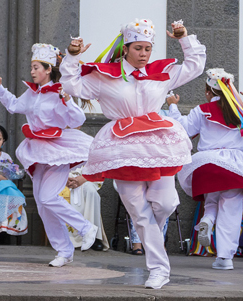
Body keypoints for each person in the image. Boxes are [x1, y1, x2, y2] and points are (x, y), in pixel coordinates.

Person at [60, 18, 206, 289]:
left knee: (165, 204)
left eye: (148, 49)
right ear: (125, 48)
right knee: (140, 213)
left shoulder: (161, 72)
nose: (144, 54)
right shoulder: (105, 76)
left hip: (158, 145)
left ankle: (149, 232)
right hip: (122, 147)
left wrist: (184, 38)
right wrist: (71, 56)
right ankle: (159, 269)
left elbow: (195, 66)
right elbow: (71, 85)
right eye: (138, 48)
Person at [0, 43, 97, 267]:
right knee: (41, 203)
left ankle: (87, 228)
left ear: (48, 69)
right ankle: (64, 250)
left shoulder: (59, 91)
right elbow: (14, 105)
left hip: (59, 149)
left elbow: (78, 120)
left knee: (49, 197)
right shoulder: (32, 93)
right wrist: (0, 88)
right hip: (37, 150)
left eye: (36, 67)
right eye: (31, 67)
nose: (32, 71)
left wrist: (67, 99)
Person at [168, 69, 243, 270]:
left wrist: (173, 107)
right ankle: (225, 258)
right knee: (231, 208)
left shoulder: (202, 110)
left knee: (211, 200)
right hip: (234, 165)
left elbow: (182, 129)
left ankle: (207, 220)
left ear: (209, 92)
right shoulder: (240, 110)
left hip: (206, 163)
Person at [60, 166, 108, 251]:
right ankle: (66, 238)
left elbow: (97, 166)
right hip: (60, 178)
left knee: (91, 191)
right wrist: (65, 178)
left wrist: (84, 178)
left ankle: (94, 237)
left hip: (85, 178)